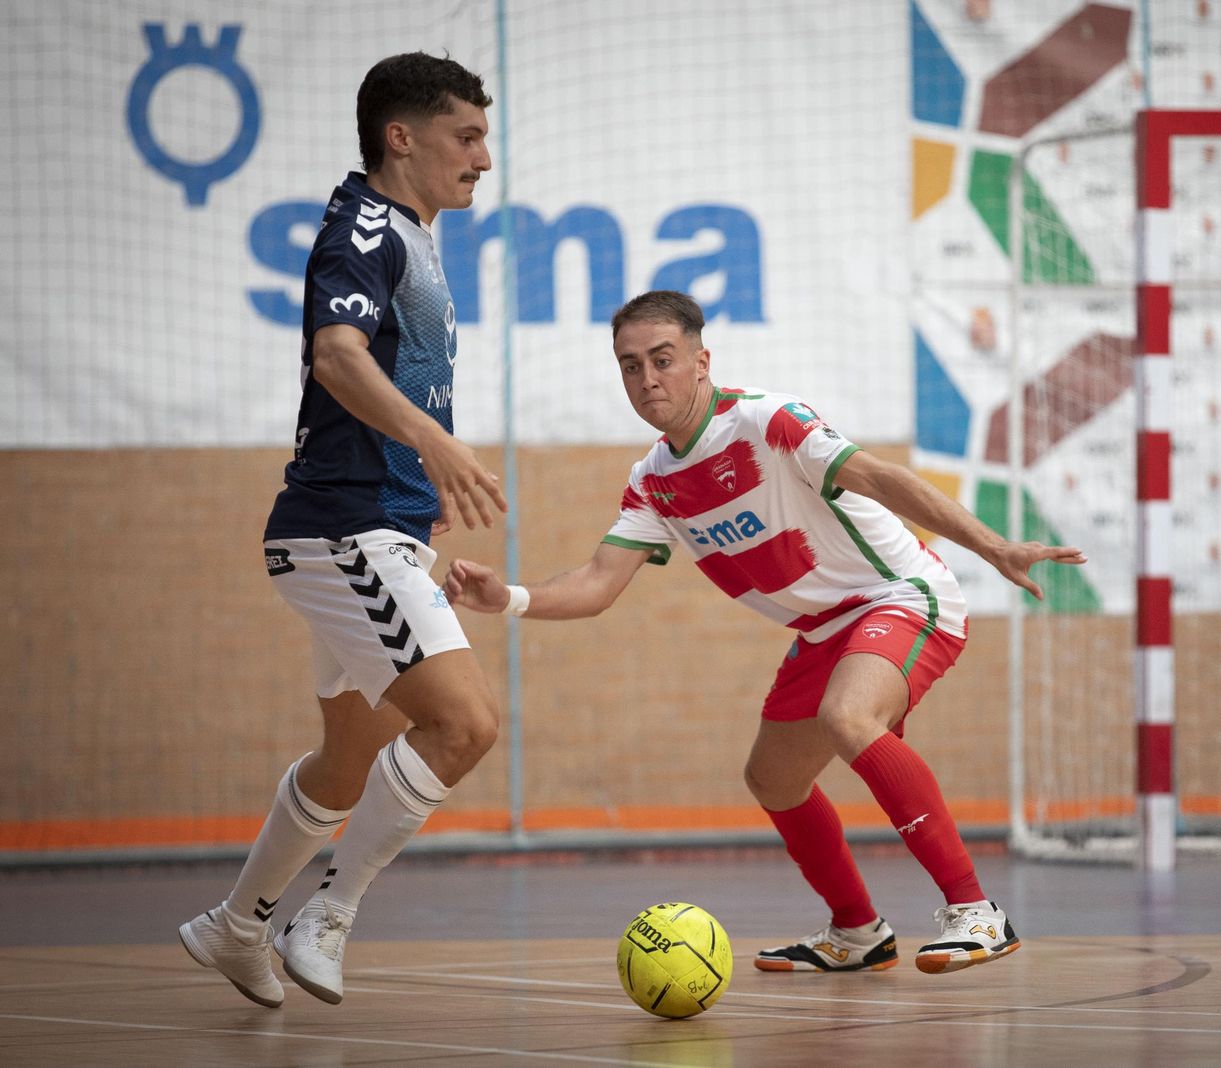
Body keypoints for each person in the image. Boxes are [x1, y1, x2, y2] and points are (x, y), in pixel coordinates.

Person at [447, 290, 1085, 974]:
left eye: (662, 359)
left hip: (900, 596)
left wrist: (995, 548)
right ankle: (858, 933)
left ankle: (976, 913)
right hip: (823, 631)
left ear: (701, 361)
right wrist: (508, 597)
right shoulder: (654, 480)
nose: (647, 379)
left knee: (848, 715)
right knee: (773, 779)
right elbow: (599, 583)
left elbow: (880, 477)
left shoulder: (766, 421)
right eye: (629, 365)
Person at [179, 52, 507, 1008]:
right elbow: (335, 355)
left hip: (377, 527)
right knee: (465, 724)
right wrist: (433, 445)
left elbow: (389, 377)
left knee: (347, 759)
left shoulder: (415, 231)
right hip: (340, 531)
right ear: (400, 137)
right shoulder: (365, 224)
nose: (484, 158)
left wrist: (421, 483)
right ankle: (324, 912)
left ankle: (233, 929)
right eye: (468, 136)